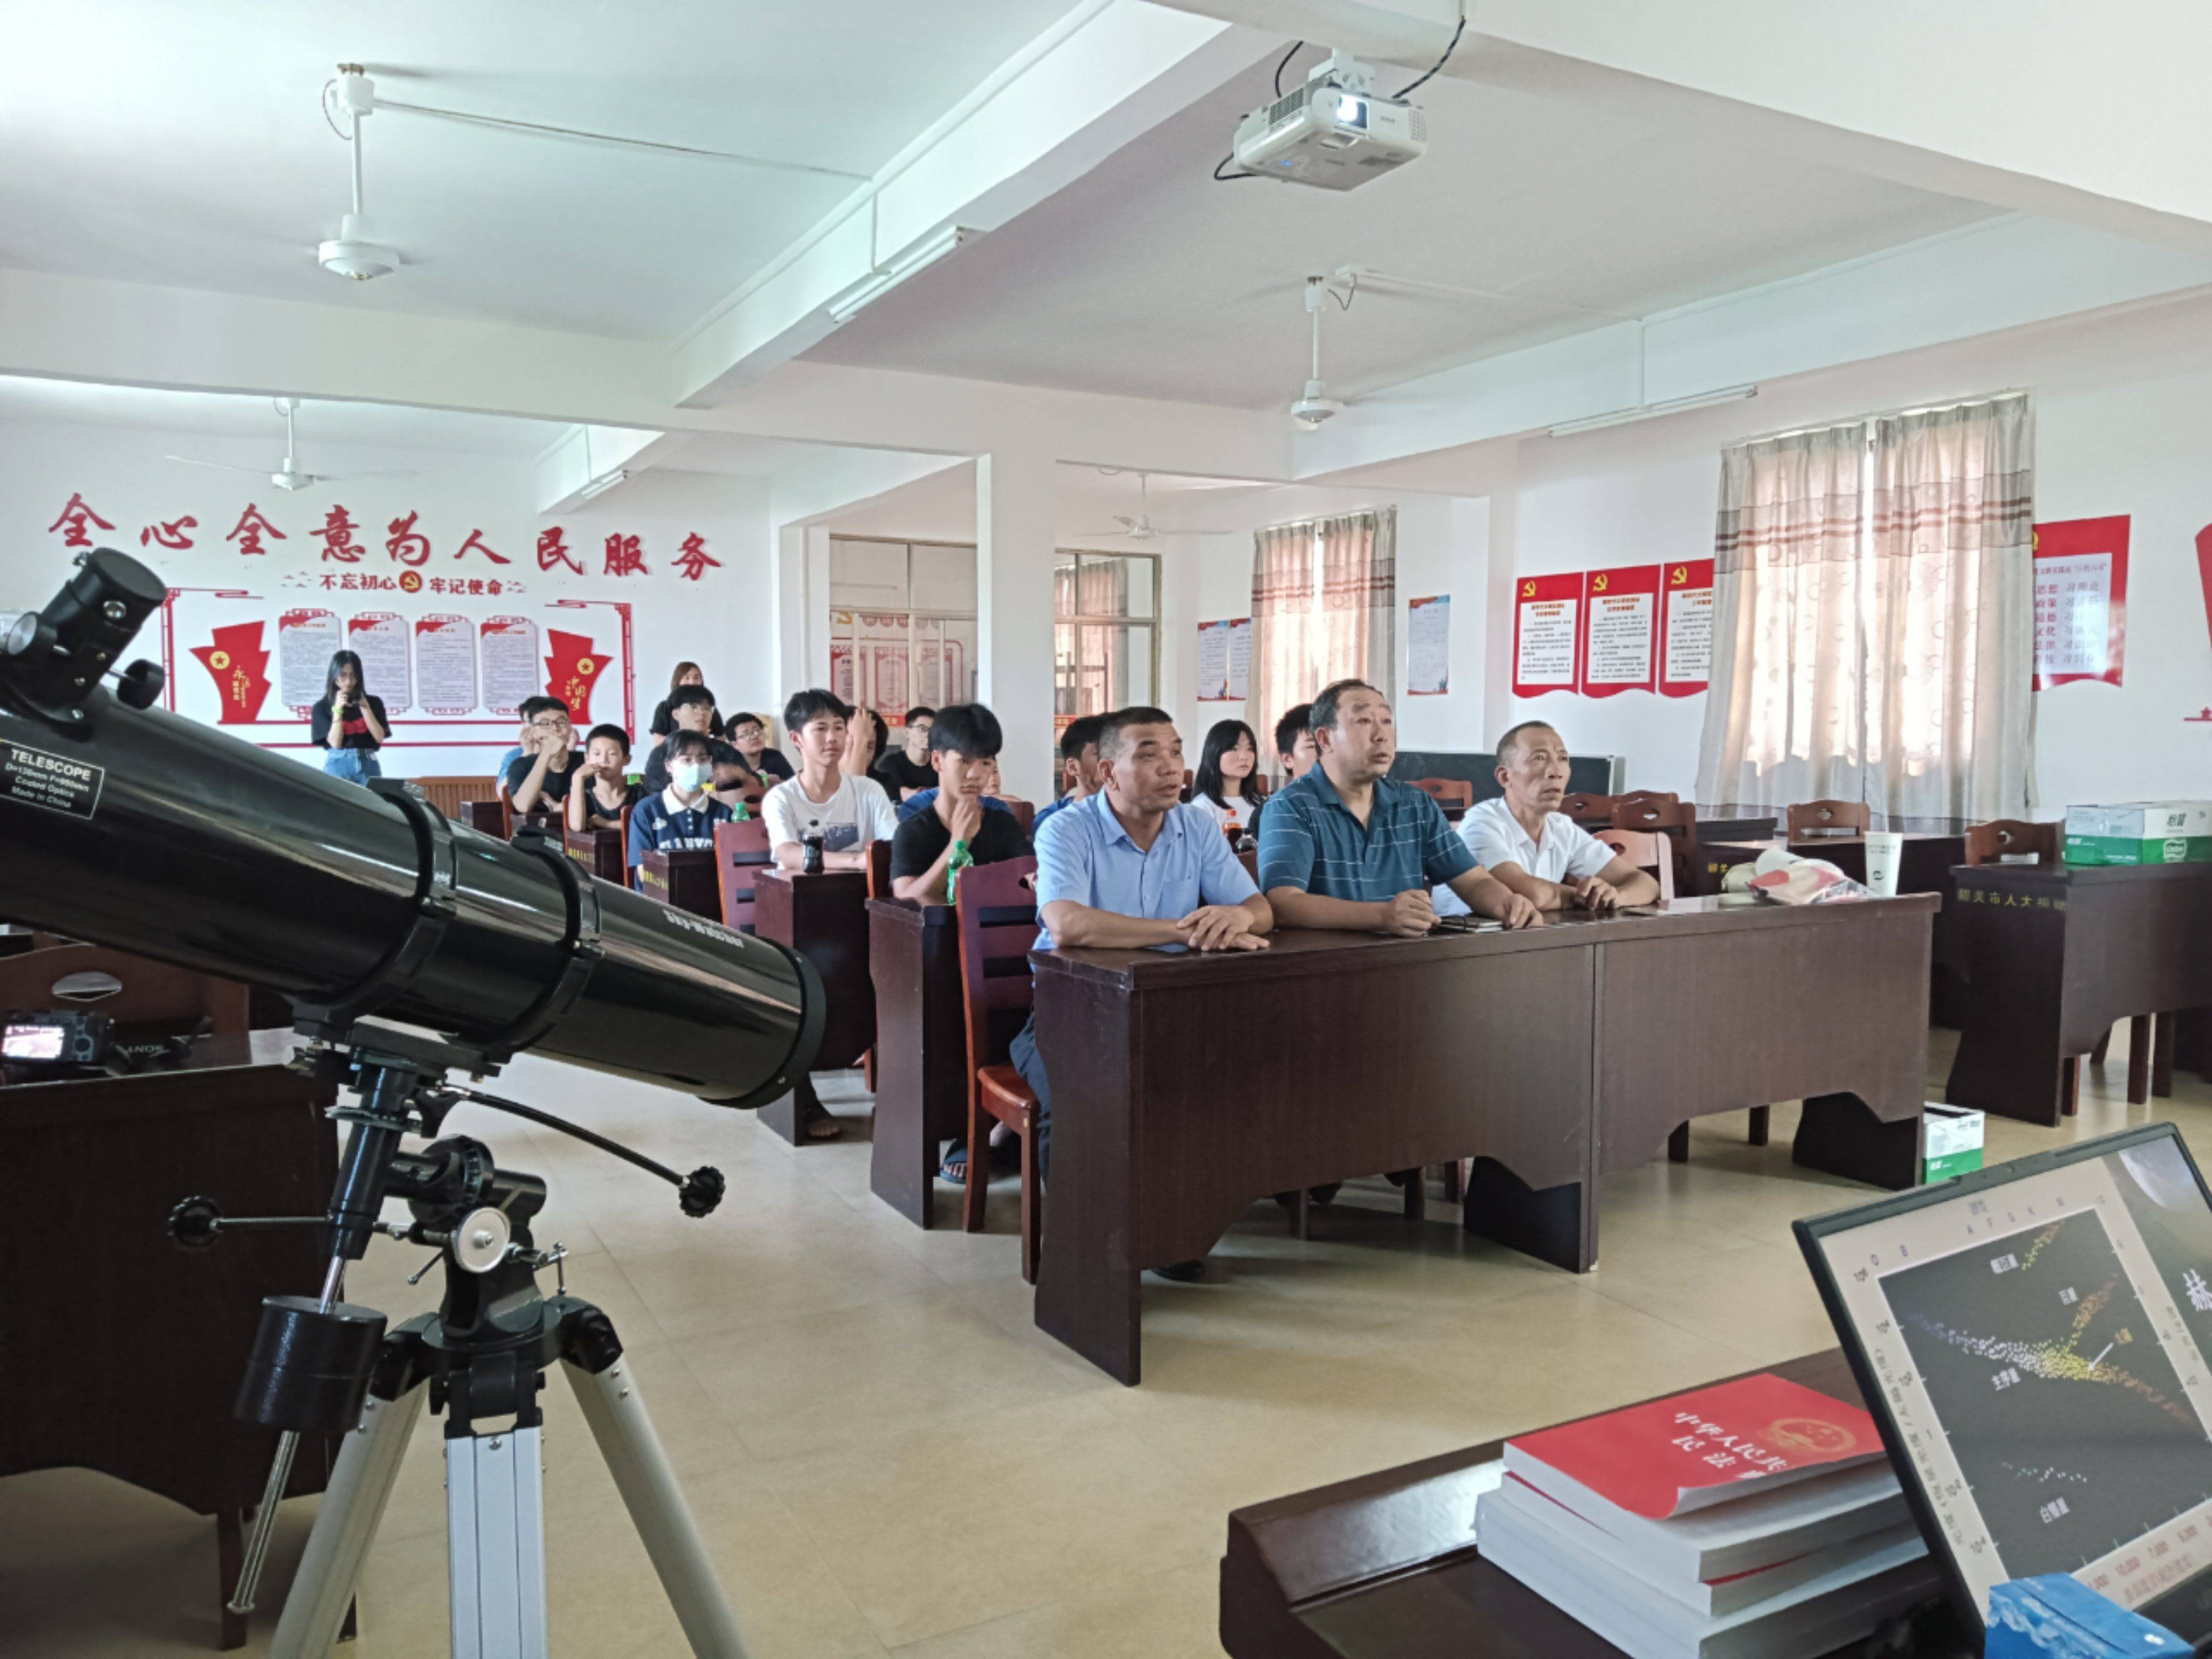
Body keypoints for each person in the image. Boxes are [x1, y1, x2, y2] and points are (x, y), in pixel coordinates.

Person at [1024, 707, 1272, 1277]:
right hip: (1069, 1013)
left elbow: (1258, 908)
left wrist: (1234, 918)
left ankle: (1171, 1233)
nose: (1170, 768)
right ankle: (1079, 1257)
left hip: (1169, 1008)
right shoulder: (1067, 828)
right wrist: (1183, 929)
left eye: (1177, 753)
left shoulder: (1196, 826)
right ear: (1108, 771)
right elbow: (1067, 924)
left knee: (1213, 1089)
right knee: (1073, 1106)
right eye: (1148, 754)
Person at [1258, 679, 1539, 934]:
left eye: (1387, 720)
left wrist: (1508, 904)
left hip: (1403, 963)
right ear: (1325, 739)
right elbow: (1284, 903)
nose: (1382, 734)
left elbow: (1474, 881)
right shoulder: (1290, 806)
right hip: (1324, 967)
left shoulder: (1414, 805)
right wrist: (1382, 916)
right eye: (1364, 720)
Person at [1437, 722, 1661, 916]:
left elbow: (1646, 884)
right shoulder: (1482, 823)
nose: (1556, 771)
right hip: (1465, 947)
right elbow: (1528, 894)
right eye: (1540, 758)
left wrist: (1615, 896)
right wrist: (1587, 896)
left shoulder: (1560, 827)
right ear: (1505, 777)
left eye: (1563, 759)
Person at [891, 705, 1032, 905]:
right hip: (936, 934)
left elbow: (1027, 876)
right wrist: (958, 842)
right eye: (964, 761)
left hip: (994, 931)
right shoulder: (913, 830)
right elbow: (907, 899)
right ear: (938, 761)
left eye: (985, 763)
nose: (975, 775)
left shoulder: (1003, 824)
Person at [762, 690, 899, 872]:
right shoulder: (781, 797)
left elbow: (892, 846)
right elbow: (789, 855)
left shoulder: (870, 790)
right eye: (821, 729)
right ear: (797, 739)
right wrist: (856, 861)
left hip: (860, 894)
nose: (832, 738)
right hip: (802, 894)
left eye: (839, 728)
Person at [626, 730, 734, 867]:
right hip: (663, 888)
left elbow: (732, 869)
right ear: (669, 766)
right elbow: (643, 871)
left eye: (703, 759)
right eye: (686, 760)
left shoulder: (724, 813)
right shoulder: (647, 811)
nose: (696, 766)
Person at [640, 686, 756, 803]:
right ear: (676, 714)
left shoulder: (725, 750)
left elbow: (755, 791)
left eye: (707, 708)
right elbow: (654, 798)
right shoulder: (662, 753)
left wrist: (740, 774)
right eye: (694, 707)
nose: (702, 713)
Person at [311, 650, 388, 784]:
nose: (348, 681)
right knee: (338, 805)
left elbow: (379, 737)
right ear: (335, 677)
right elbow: (335, 743)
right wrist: (337, 711)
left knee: (369, 804)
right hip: (338, 762)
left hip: (368, 762)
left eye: (353, 675)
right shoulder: (322, 707)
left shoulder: (374, 703)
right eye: (343, 675)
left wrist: (366, 708)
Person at [1187, 719, 1266, 838]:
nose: (1244, 757)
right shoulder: (1203, 808)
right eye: (1235, 749)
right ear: (1215, 753)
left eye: (1250, 749)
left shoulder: (1262, 804)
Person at [1031, 713, 1107, 836]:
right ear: (1073, 767)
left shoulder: (1138, 815)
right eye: (1100, 753)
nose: (1112, 760)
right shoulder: (1052, 820)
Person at [505, 696, 581, 816]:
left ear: (570, 727)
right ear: (534, 732)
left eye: (561, 721)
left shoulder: (586, 761)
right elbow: (523, 806)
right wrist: (547, 753)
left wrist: (557, 806)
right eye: (545, 724)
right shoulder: (520, 765)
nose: (555, 728)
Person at [567, 724, 642, 833]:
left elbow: (648, 824)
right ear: (587, 758)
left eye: (612, 754)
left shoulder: (639, 793)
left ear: (627, 759)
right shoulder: (583, 798)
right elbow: (577, 827)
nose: (604, 760)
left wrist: (608, 824)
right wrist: (577, 778)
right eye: (597, 754)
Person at [646, 661, 718, 752]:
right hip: (674, 754)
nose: (692, 682)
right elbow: (657, 740)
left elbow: (720, 736)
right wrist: (683, 741)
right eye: (687, 678)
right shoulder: (665, 707)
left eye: (696, 678)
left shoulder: (709, 708)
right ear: (678, 681)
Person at [873, 706, 939, 800]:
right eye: (922, 729)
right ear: (907, 732)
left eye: (932, 730)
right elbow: (902, 795)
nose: (928, 734)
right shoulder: (890, 764)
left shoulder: (940, 763)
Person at [725, 710, 793, 782]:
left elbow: (794, 786)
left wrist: (779, 783)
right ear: (735, 745)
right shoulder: (729, 766)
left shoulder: (775, 756)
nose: (754, 737)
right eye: (746, 735)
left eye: (756, 731)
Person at [842, 706, 889, 786]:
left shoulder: (884, 783)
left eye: (869, 747)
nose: (862, 753)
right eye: (852, 744)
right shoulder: (818, 781)